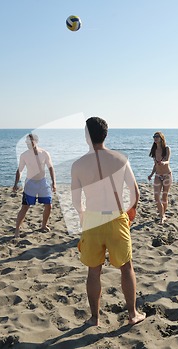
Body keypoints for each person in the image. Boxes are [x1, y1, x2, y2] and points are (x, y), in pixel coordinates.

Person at [71, 117, 145, 326]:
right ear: (106, 134)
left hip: (93, 219)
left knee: (94, 271)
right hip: (116, 216)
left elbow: (76, 201)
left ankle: (94, 318)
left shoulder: (77, 165)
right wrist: (130, 211)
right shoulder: (120, 159)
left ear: (87, 135)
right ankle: (132, 314)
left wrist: (83, 215)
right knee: (126, 267)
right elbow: (135, 193)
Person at [13, 133, 56, 238]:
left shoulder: (44, 153)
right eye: (27, 142)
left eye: (30, 142)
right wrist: (16, 183)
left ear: (36, 141)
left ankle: (43, 226)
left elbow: (51, 168)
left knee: (49, 205)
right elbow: (20, 170)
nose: (28, 144)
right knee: (25, 207)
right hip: (30, 183)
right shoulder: (24, 155)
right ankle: (17, 230)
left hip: (42, 182)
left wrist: (53, 182)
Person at [147, 131, 172, 224]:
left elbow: (167, 161)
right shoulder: (154, 150)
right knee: (156, 196)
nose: (155, 138)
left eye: (157, 136)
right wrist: (151, 174)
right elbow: (155, 165)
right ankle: (162, 216)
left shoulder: (167, 149)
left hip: (167, 175)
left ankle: (162, 215)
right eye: (154, 136)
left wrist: (163, 162)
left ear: (161, 138)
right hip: (157, 175)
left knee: (164, 196)